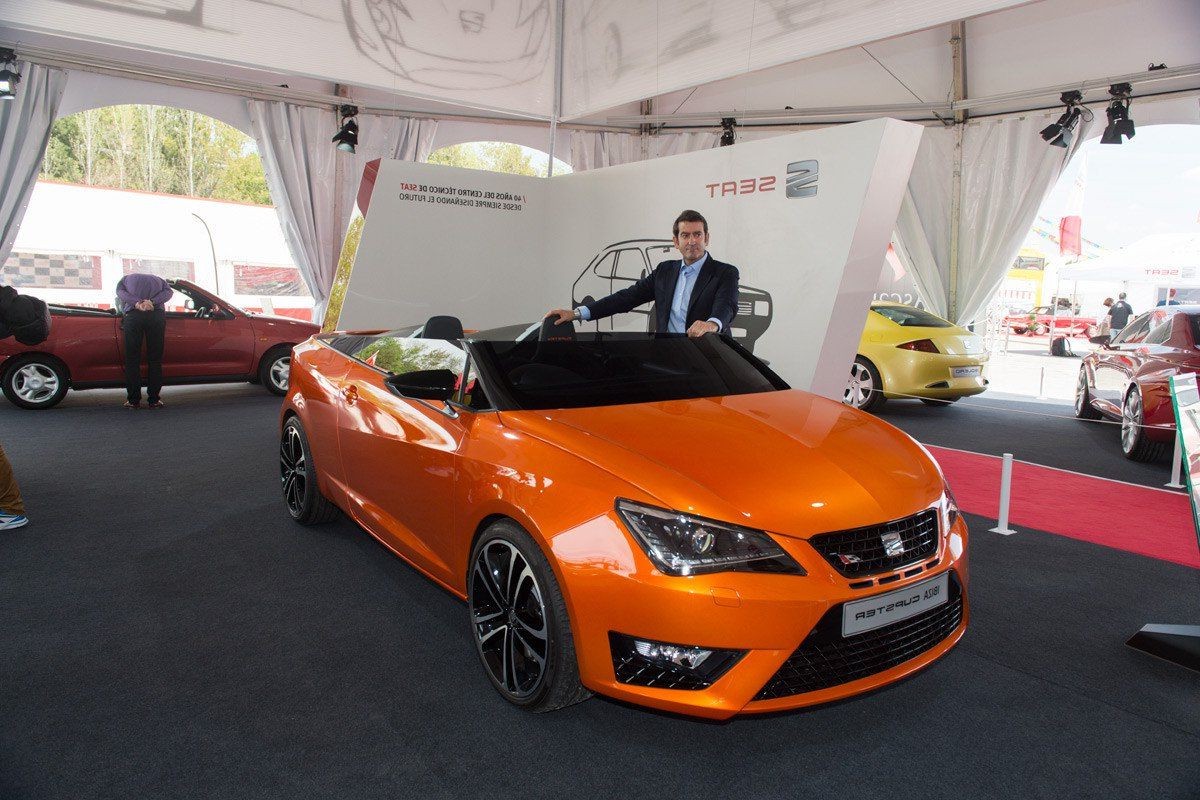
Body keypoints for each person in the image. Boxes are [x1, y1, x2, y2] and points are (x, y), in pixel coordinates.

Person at [546, 210, 739, 336]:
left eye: (697, 234)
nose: (692, 241)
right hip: (669, 360)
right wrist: (577, 313)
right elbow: (626, 298)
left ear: (707, 238)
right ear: (676, 242)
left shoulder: (725, 273)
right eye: (685, 235)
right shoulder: (665, 271)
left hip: (710, 362)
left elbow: (726, 306)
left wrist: (711, 324)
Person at [116, 272, 173, 409]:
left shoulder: (126, 279)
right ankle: (154, 400)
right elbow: (169, 292)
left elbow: (120, 292)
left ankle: (133, 400)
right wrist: (152, 302)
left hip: (133, 317)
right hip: (156, 317)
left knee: (132, 359)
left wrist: (137, 302)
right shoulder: (160, 279)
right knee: (155, 359)